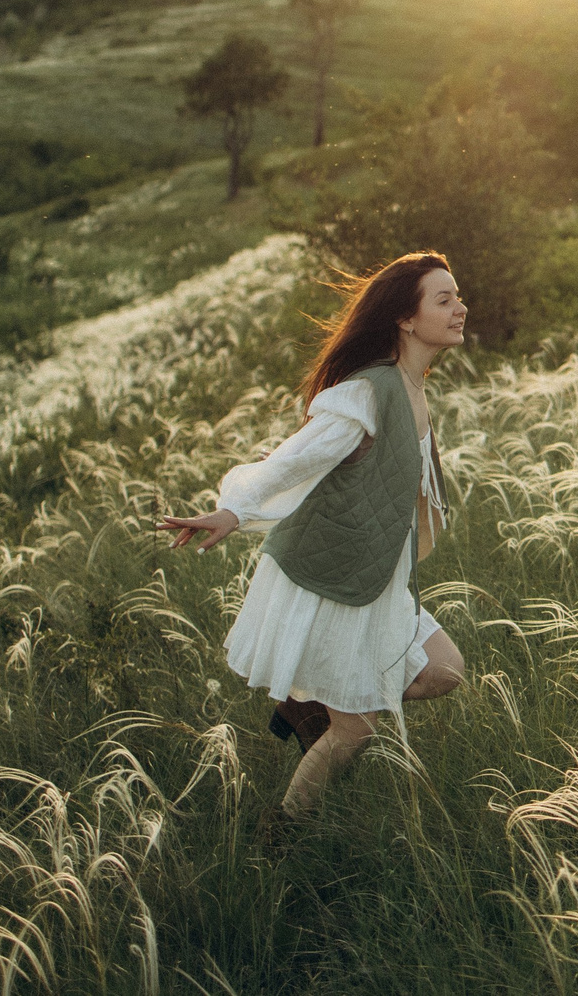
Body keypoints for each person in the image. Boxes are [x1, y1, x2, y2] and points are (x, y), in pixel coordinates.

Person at [156, 250, 470, 837]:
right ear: (406, 317)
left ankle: (305, 711)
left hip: (373, 579)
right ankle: (281, 832)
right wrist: (234, 510)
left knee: (446, 671)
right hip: (331, 579)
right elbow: (296, 460)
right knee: (358, 730)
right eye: (444, 299)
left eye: (459, 297)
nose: (460, 308)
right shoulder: (367, 392)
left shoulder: (411, 387)